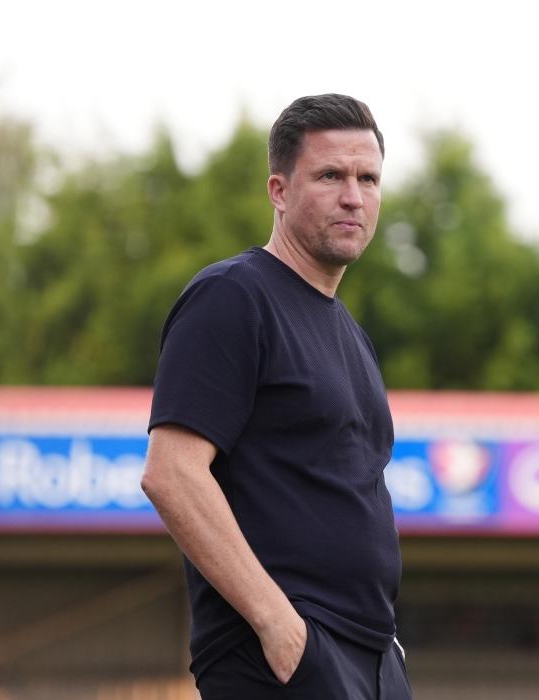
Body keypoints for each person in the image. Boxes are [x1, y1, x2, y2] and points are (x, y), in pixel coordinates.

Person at [141, 94, 412, 699]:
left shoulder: (350, 333)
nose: (354, 196)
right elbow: (172, 473)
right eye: (330, 176)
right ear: (279, 191)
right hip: (285, 657)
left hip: (370, 656)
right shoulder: (233, 297)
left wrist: (385, 652)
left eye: (368, 179)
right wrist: (279, 628)